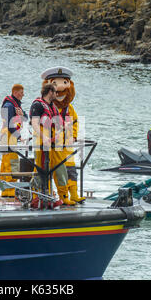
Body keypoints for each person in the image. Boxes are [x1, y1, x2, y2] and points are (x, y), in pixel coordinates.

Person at [40, 66, 85, 204]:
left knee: (70, 170)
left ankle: (73, 194)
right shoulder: (45, 106)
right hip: (52, 145)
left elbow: (75, 122)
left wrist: (74, 136)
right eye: (55, 84)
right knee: (51, 171)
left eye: (64, 83)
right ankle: (55, 196)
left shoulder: (69, 108)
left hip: (67, 145)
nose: (60, 88)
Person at [29, 83, 70, 206]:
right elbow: (35, 124)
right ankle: (37, 196)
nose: (57, 95)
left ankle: (61, 195)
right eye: (55, 92)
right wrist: (44, 137)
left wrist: (61, 132)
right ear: (50, 92)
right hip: (42, 143)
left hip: (54, 143)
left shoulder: (53, 106)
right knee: (41, 169)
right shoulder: (37, 105)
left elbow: (59, 123)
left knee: (59, 168)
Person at [0, 84, 28, 197]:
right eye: (21, 92)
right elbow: (9, 124)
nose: (23, 94)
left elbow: (25, 118)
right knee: (10, 163)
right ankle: (9, 191)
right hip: (8, 135)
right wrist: (19, 136)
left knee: (9, 162)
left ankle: (7, 190)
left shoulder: (16, 105)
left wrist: (22, 114)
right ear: (15, 92)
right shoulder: (8, 105)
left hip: (11, 136)